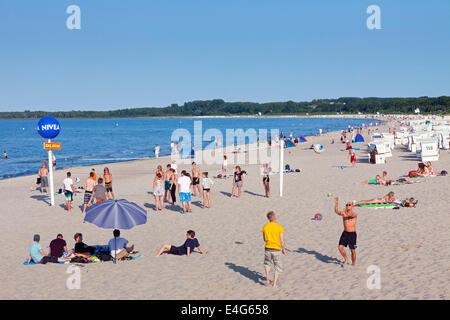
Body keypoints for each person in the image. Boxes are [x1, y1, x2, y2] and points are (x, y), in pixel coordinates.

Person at [262, 211, 286, 288]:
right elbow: (282, 240)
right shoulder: (279, 227)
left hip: (268, 248)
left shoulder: (265, 227)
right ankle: (274, 284)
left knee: (267, 264)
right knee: (277, 267)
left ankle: (267, 278)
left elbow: (264, 239)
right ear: (274, 217)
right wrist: (283, 249)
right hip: (276, 249)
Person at [334, 198, 358, 266]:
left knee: (352, 250)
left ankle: (353, 264)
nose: (347, 205)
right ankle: (346, 259)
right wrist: (336, 203)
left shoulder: (354, 214)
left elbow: (350, 215)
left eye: (349, 205)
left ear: (352, 206)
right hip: (345, 233)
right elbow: (336, 211)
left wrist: (345, 212)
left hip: (352, 234)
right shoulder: (344, 213)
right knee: (340, 247)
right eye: (346, 204)